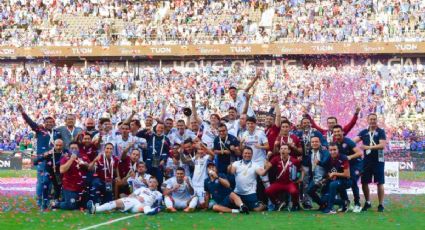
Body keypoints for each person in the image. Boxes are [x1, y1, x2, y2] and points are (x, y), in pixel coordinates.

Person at [17, 104, 58, 208]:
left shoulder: (57, 133)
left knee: (50, 181)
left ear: (54, 123)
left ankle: (48, 200)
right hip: (42, 159)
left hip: (54, 160)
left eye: (51, 122)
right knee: (42, 180)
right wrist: (23, 112)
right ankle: (40, 201)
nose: (49, 123)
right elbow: (31, 123)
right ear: (44, 123)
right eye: (47, 122)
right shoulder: (40, 130)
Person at [353, 113, 387, 212]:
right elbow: (353, 141)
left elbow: (382, 145)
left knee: (380, 183)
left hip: (378, 160)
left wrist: (368, 147)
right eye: (371, 119)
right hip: (366, 161)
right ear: (367, 120)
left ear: (377, 120)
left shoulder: (381, 131)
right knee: (364, 182)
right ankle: (367, 202)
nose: (372, 121)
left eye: (374, 119)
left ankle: (381, 204)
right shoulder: (364, 132)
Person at [87, 177, 162, 215]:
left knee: (146, 207)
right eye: (150, 182)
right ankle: (95, 209)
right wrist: (137, 197)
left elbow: (160, 204)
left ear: (157, 184)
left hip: (141, 207)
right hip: (135, 201)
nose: (152, 183)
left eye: (154, 182)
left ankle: (149, 212)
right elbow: (131, 195)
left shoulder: (158, 193)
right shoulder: (142, 189)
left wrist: (158, 207)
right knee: (116, 202)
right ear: (148, 183)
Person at [332, 125, 363, 212]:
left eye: (338, 131)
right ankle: (346, 203)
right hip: (345, 165)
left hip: (356, 165)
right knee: (339, 181)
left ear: (342, 132)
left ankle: (357, 204)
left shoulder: (348, 141)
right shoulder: (335, 142)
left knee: (353, 181)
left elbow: (359, 153)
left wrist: (349, 157)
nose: (337, 133)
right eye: (335, 132)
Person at [264, 144, 304, 211]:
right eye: (281, 149)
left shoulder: (294, 160)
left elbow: (302, 170)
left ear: (289, 151)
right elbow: (266, 167)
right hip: (279, 183)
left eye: (285, 149)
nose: (283, 150)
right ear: (279, 151)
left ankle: (295, 205)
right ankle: (278, 203)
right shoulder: (276, 159)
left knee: (294, 191)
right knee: (268, 191)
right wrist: (267, 157)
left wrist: (301, 178)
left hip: (289, 183)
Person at [51, 142, 89, 210]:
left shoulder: (83, 157)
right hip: (69, 187)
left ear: (78, 149)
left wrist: (85, 164)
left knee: (83, 206)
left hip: (82, 187)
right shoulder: (65, 158)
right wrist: (71, 159)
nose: (74, 150)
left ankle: (65, 200)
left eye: (75, 148)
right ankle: (57, 204)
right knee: (71, 206)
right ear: (69, 149)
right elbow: (62, 170)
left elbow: (91, 168)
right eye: (72, 148)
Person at [229, 147, 268, 212]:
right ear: (242, 154)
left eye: (249, 153)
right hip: (237, 193)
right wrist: (230, 166)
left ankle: (263, 205)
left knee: (256, 210)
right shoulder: (236, 163)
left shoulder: (255, 165)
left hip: (250, 193)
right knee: (231, 203)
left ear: (252, 155)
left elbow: (262, 173)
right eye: (245, 153)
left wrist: (267, 168)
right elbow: (231, 172)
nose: (247, 155)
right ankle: (243, 205)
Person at [321, 143, 351, 214]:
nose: (332, 151)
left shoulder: (343, 158)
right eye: (331, 150)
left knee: (333, 184)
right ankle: (344, 202)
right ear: (328, 150)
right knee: (323, 199)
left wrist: (334, 174)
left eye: (334, 149)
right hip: (335, 181)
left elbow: (347, 175)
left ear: (338, 150)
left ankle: (330, 208)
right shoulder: (328, 158)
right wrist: (325, 179)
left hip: (346, 181)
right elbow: (328, 172)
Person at [305, 137, 330, 210]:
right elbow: (308, 163)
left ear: (320, 143)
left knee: (324, 194)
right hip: (314, 177)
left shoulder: (325, 152)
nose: (314, 143)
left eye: (316, 142)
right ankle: (323, 204)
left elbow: (326, 162)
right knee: (310, 191)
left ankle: (342, 202)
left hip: (324, 177)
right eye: (312, 142)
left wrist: (319, 162)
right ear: (310, 144)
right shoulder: (310, 153)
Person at [144, 122, 170, 186]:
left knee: (159, 181)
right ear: (155, 128)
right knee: (148, 181)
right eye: (159, 127)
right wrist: (147, 129)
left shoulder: (166, 139)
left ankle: (158, 194)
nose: (160, 129)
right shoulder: (150, 136)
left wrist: (164, 160)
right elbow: (139, 134)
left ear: (164, 129)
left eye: (162, 128)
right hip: (149, 162)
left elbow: (167, 151)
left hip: (159, 162)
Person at [191, 142, 214, 208]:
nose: (200, 151)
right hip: (194, 184)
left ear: (205, 150)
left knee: (202, 205)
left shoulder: (207, 158)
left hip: (202, 185)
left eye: (202, 149)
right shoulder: (195, 157)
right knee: (194, 203)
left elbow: (213, 155)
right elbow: (185, 161)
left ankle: (212, 203)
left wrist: (205, 146)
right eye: (199, 149)